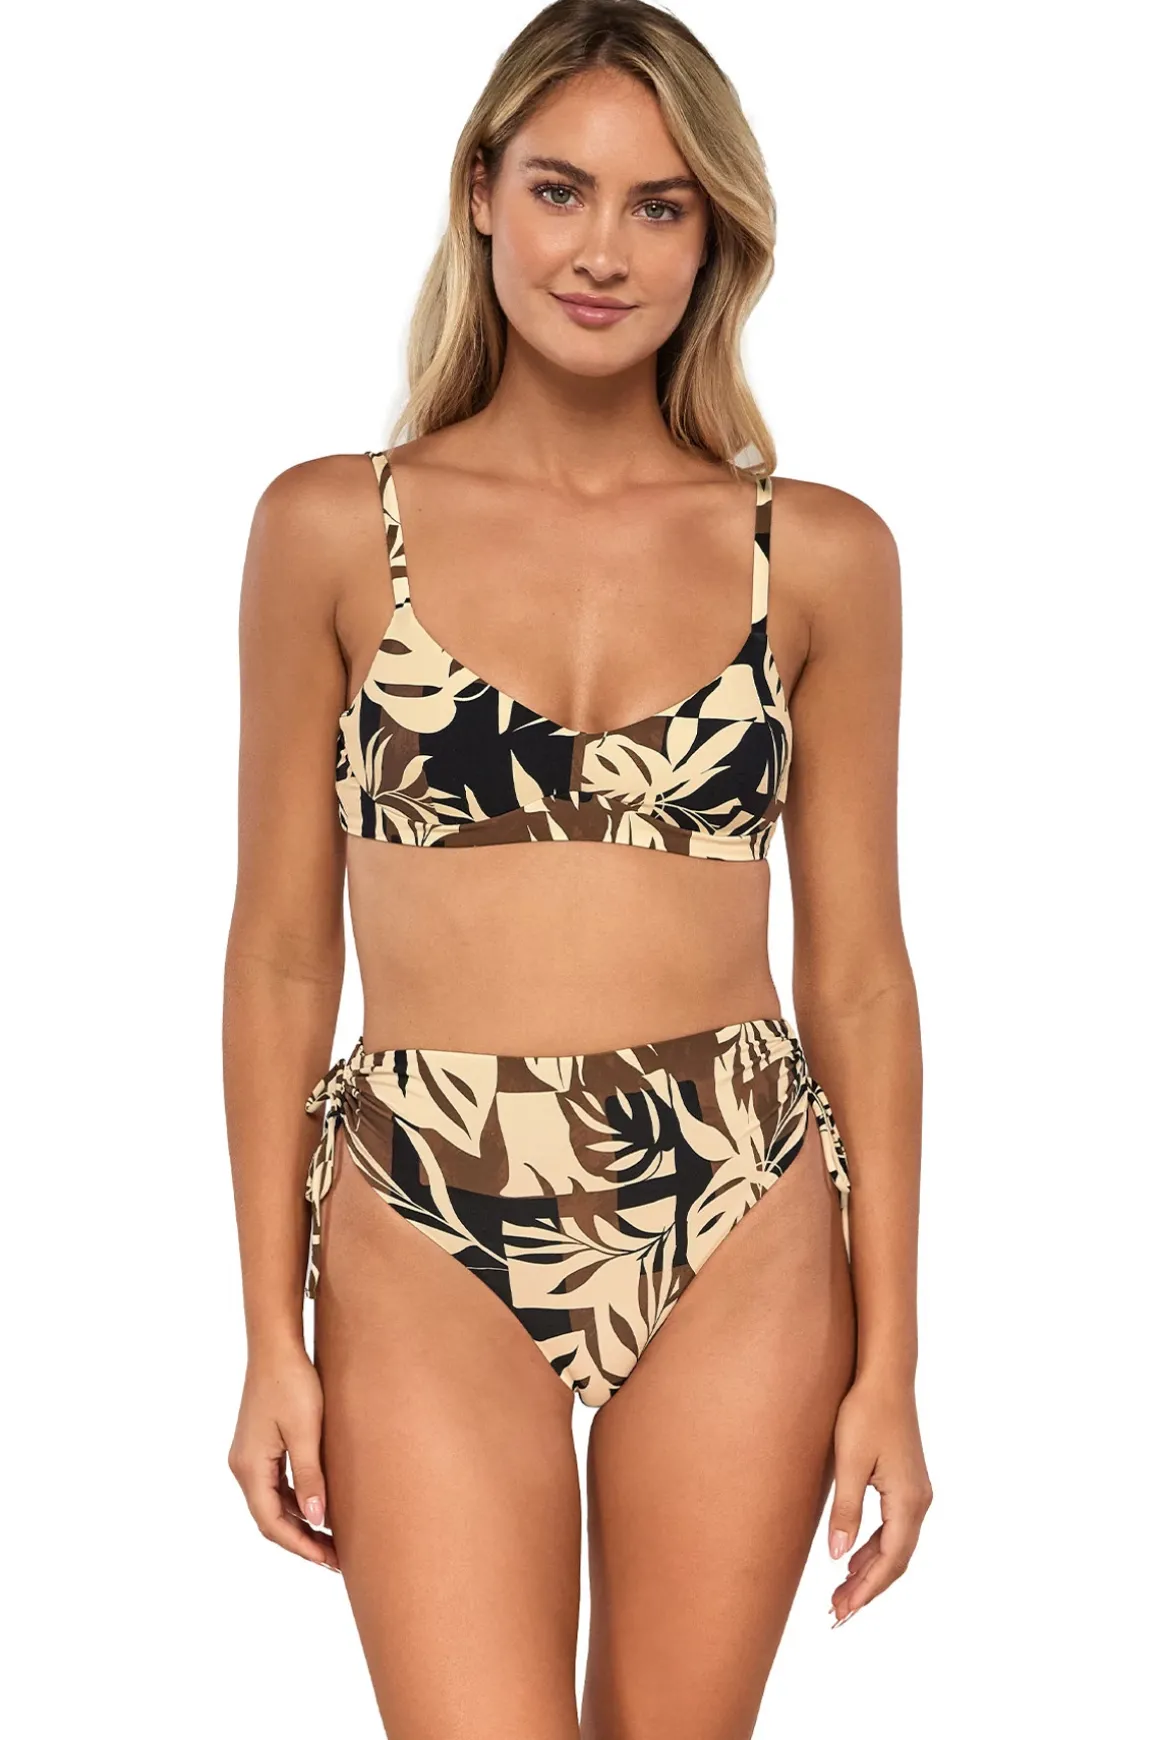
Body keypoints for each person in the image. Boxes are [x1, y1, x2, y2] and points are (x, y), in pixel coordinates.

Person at [223, 2, 932, 1734]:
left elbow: (857, 973)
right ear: (481, 193)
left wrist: (895, 1361)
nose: (602, 251)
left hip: (739, 1191)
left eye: (659, 205)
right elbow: (282, 958)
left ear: (714, 236)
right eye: (561, 190)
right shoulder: (332, 528)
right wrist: (266, 1337)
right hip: (423, 1193)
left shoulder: (817, 554)